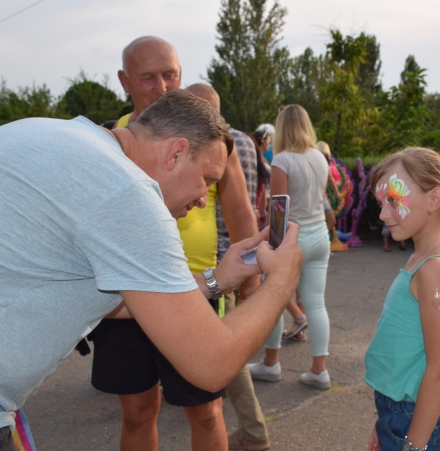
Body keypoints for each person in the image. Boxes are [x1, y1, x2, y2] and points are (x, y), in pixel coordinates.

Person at [0, 90, 303, 451]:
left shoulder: (57, 134)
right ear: (176, 153)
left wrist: (218, 280)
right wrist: (281, 281)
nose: (202, 198)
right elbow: (212, 363)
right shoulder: (126, 193)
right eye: (207, 180)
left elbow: (117, 299)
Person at [93, 43, 259, 451]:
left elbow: (239, 211)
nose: (162, 86)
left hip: (198, 287)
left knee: (205, 411)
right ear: (125, 82)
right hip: (123, 293)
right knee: (137, 412)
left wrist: (251, 274)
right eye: (148, 77)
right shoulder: (111, 139)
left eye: (170, 74)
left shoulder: (211, 135)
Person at [365, 147, 440, 451]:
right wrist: (384, 422)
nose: (383, 213)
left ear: (434, 200)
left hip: (421, 422)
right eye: (381, 202)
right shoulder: (420, 260)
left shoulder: (435, 271)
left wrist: (413, 444)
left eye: (394, 200)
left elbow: (439, 372)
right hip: (402, 414)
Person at [187, 83, 271, 451]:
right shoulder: (246, 141)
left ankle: (254, 433)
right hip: (239, 251)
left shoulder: (209, 145)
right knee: (226, 348)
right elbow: (255, 200)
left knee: (225, 353)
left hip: (220, 259)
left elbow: (236, 205)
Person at [248, 105, 333, 390]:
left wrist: (270, 247)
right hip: (319, 235)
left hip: (293, 238)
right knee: (316, 303)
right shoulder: (320, 157)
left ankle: (271, 364)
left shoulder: (283, 159)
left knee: (273, 299)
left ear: (283, 127)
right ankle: (319, 371)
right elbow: (321, 199)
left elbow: (279, 210)